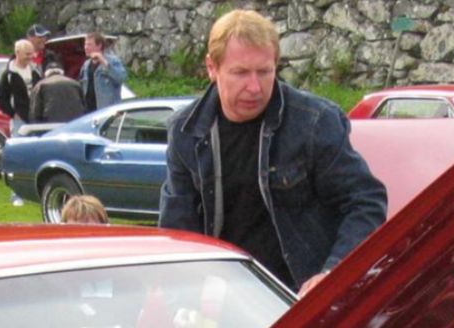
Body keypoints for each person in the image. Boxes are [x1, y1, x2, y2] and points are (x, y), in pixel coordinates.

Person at [159, 10, 387, 294]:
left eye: (265, 72)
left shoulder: (314, 121)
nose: (254, 87)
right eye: (240, 72)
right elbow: (177, 229)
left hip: (301, 298)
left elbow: (365, 201)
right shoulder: (185, 131)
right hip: (223, 298)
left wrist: (333, 273)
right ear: (211, 67)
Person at [79, 32, 128, 113]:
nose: (86, 47)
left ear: (99, 45)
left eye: (89, 45)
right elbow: (81, 86)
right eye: (85, 44)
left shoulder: (112, 60)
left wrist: (104, 62)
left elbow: (121, 78)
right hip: (88, 112)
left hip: (107, 111)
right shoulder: (86, 65)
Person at [30, 58, 85, 125]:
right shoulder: (75, 84)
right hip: (74, 124)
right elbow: (84, 106)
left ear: (46, 74)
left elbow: (35, 111)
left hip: (50, 126)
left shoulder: (40, 85)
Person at [0, 39, 37, 124]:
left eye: (31, 54)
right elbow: (1, 100)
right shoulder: (8, 75)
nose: (30, 57)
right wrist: (13, 114)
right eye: (27, 54)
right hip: (20, 120)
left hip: (37, 118)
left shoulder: (36, 71)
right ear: (17, 53)